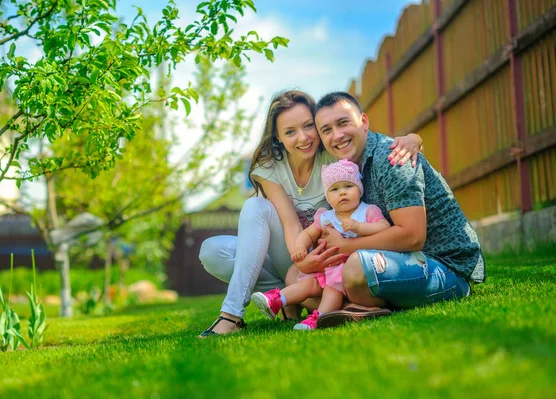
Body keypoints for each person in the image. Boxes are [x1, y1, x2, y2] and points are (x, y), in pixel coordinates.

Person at [198, 90, 423, 337]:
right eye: (290, 131)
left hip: (336, 257)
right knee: (215, 248)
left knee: (255, 211)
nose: (303, 138)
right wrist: (301, 259)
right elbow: (290, 222)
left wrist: (413, 139)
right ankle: (283, 298)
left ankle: (244, 311)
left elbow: (365, 138)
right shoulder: (269, 165)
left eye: (308, 126)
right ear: (278, 136)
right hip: (295, 252)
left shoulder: (333, 154)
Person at [307, 92, 485, 328]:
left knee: (355, 269)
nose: (337, 135)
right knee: (300, 279)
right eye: (326, 130)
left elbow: (412, 236)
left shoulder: (392, 158)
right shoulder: (344, 169)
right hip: (395, 259)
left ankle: (361, 301)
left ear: (364, 121)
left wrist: (345, 247)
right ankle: (363, 302)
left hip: (445, 266)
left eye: (343, 123)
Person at [250, 159, 390, 330]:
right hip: (328, 267)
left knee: (332, 288)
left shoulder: (367, 211)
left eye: (348, 186)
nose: (342, 193)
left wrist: (360, 227)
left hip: (351, 270)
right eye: (335, 189)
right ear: (328, 196)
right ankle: (276, 300)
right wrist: (300, 247)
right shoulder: (326, 217)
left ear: (359, 189)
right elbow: (308, 233)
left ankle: (318, 318)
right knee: (308, 285)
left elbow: (384, 227)